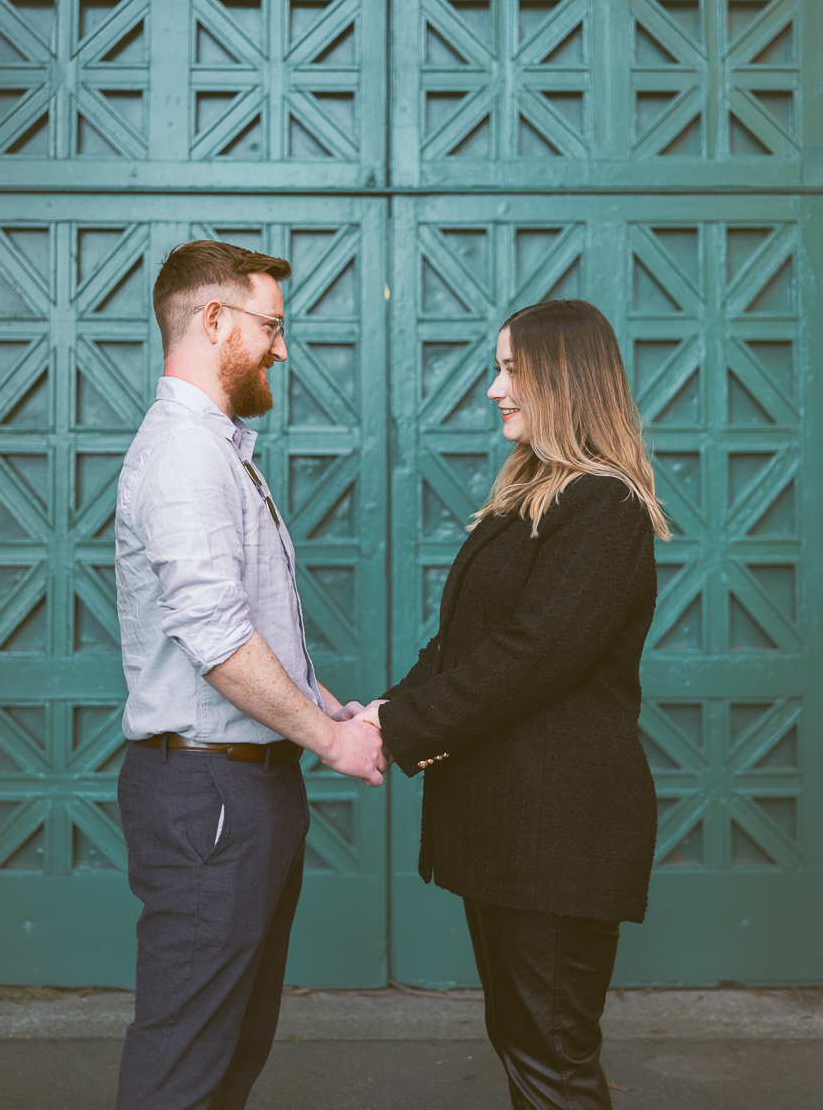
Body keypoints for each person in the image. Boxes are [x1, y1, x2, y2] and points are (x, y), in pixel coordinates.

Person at [367, 299, 669, 1110]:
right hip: (514, 835)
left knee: (552, 1062)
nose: (494, 388)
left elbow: (531, 656)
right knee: (529, 1048)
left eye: (511, 369)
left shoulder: (602, 506)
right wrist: (380, 710)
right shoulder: (536, 496)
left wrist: (392, 731)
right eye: (498, 367)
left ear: (562, 379)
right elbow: (467, 644)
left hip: (556, 840)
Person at [113, 240, 385, 1110]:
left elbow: (240, 626)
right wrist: (332, 740)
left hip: (241, 790)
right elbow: (219, 639)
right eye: (270, 325)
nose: (280, 347)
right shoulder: (187, 455)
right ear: (215, 318)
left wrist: (312, 703)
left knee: (227, 1049)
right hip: (211, 797)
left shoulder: (216, 448)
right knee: (184, 1061)